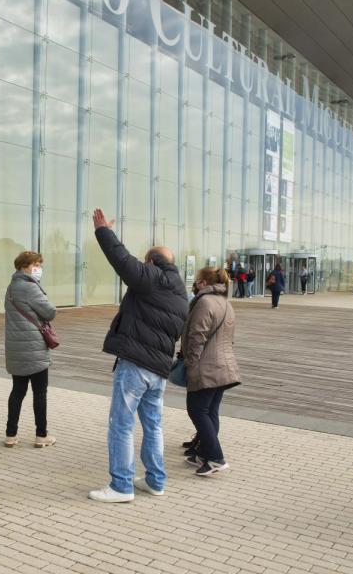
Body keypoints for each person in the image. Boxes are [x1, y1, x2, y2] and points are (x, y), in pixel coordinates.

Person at [87, 208, 188, 503]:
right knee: (153, 424)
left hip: (136, 366)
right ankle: (156, 481)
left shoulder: (153, 278)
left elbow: (122, 261)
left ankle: (121, 486)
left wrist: (103, 231)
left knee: (121, 424)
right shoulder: (180, 291)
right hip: (159, 369)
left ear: (152, 262)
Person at [182, 267, 240, 477]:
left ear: (204, 283)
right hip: (225, 366)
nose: (195, 284)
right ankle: (204, 453)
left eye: (198, 281)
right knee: (210, 411)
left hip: (207, 367)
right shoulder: (226, 303)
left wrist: (190, 364)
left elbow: (197, 336)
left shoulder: (204, 302)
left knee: (197, 410)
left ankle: (216, 458)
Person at [3, 251, 57, 448]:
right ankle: (41, 435)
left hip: (16, 347)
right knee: (39, 393)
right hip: (34, 348)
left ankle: (10, 434)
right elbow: (50, 312)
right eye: (36, 264)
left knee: (17, 391)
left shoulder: (11, 287)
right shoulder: (30, 288)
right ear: (24, 266)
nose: (38, 268)